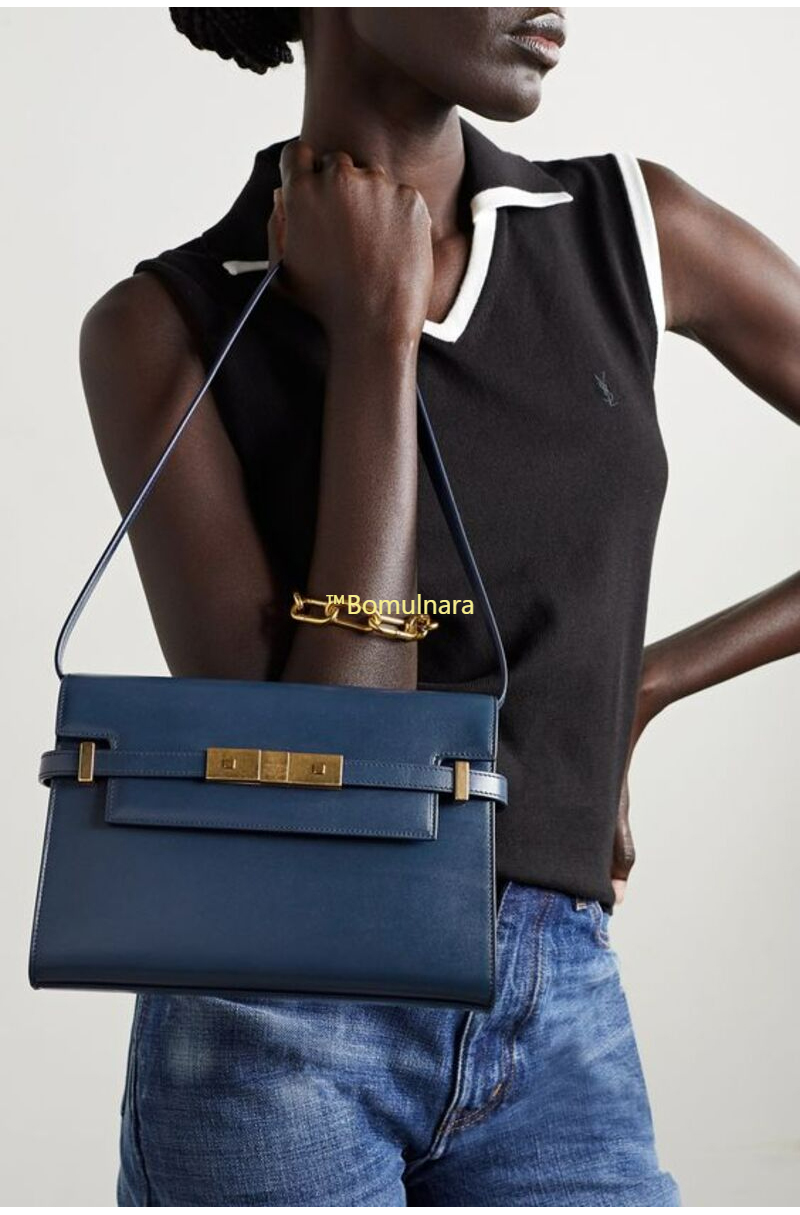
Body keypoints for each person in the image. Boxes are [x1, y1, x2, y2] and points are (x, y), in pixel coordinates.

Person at [79, 8, 800, 1207]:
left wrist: (644, 683)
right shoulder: (165, 327)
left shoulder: (630, 227)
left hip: (558, 1001)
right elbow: (328, 781)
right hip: (275, 1022)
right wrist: (376, 338)